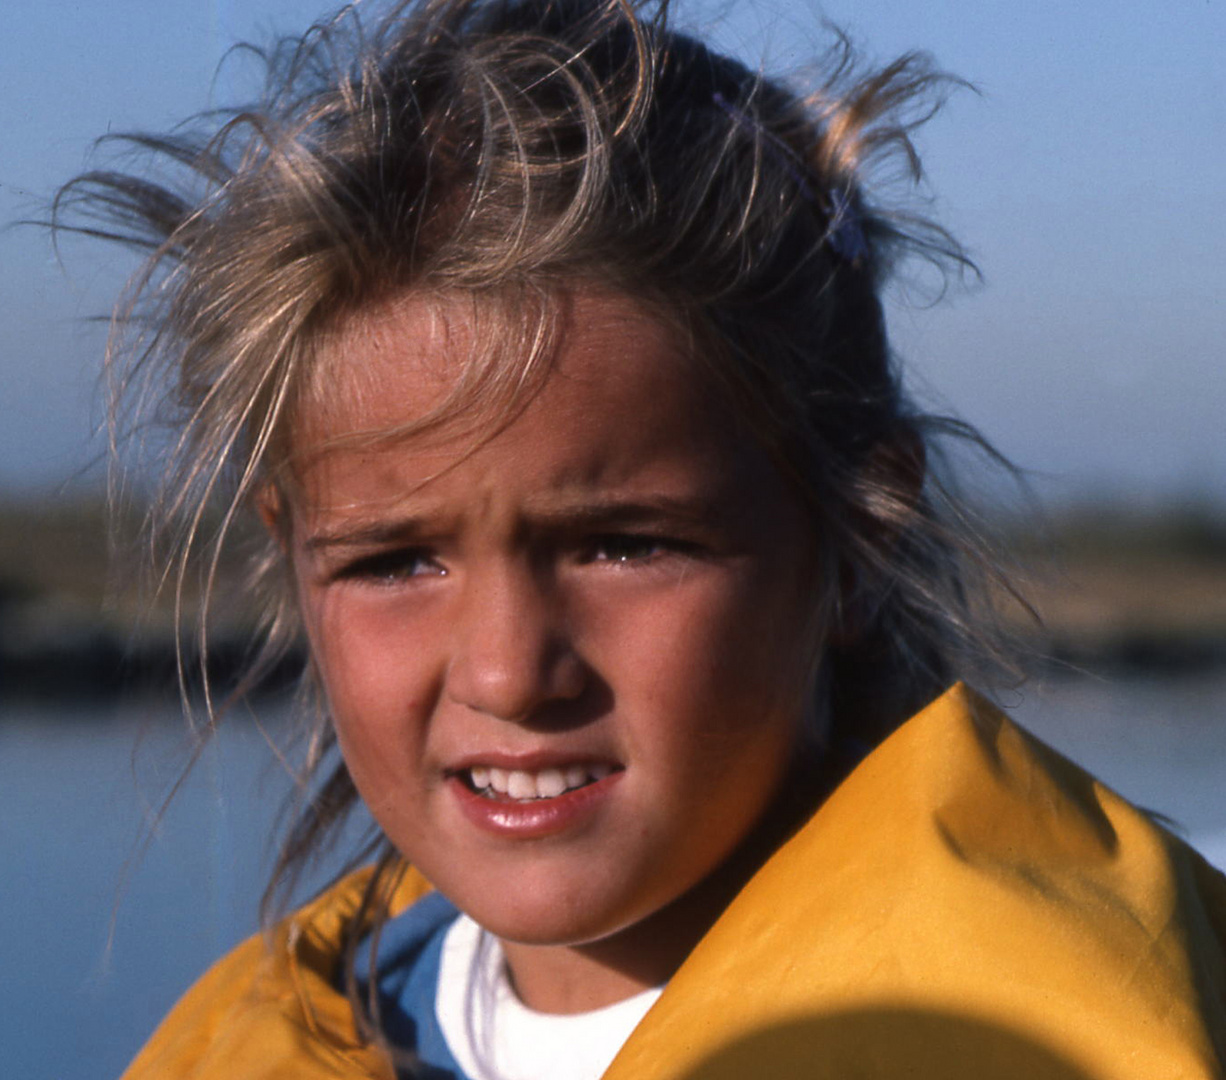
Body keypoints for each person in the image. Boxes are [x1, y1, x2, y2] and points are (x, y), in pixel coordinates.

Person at [57, 0, 1226, 1076]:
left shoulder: (1045, 1035)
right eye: (392, 561)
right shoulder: (257, 1036)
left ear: (861, 539)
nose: (509, 672)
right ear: (291, 555)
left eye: (622, 545)